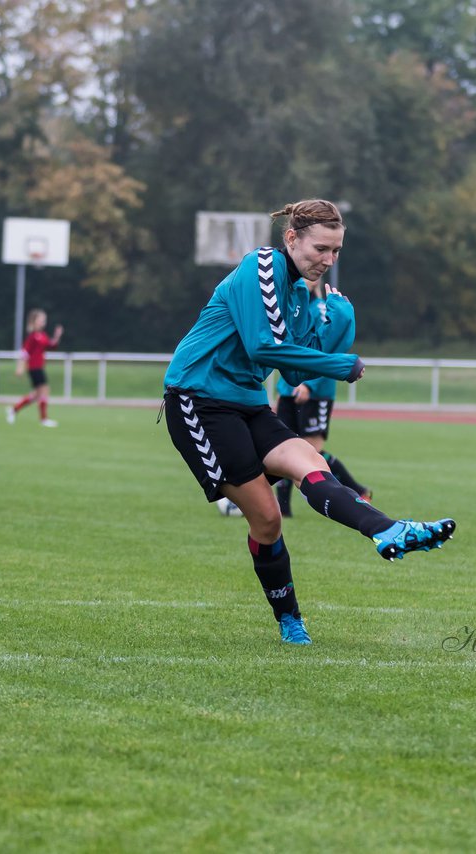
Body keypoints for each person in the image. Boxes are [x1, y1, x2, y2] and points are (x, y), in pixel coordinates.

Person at [162, 199, 455, 646]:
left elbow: (297, 373)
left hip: (248, 403)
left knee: (309, 461)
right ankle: (290, 621)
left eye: (336, 252)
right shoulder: (261, 266)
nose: (328, 261)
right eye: (321, 248)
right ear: (291, 238)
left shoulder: (299, 294)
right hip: (198, 401)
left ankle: (388, 530)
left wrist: (340, 324)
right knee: (267, 520)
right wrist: (340, 364)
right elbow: (263, 347)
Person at [273, 276, 371, 518]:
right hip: (288, 390)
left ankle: (358, 490)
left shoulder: (320, 309)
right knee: (283, 448)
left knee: (312, 450)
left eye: (307, 279)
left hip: (315, 393)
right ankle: (283, 510)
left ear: (316, 282)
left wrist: (308, 385)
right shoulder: (291, 308)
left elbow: (326, 352)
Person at [7, 309, 63, 427]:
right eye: (41, 320)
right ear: (34, 321)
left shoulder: (42, 335)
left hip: (39, 367)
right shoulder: (33, 337)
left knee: (38, 394)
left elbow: (51, 346)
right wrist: (20, 367)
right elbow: (24, 352)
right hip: (34, 367)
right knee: (44, 391)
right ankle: (43, 419)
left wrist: (57, 337)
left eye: (44, 320)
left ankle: (14, 409)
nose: (43, 322)